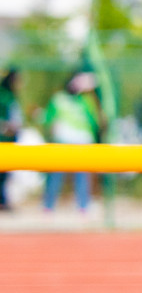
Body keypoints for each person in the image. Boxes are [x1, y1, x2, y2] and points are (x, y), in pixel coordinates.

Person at [42, 71, 103, 212]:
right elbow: (48, 119)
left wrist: (93, 94)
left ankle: (83, 206)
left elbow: (97, 121)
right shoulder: (59, 99)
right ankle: (48, 206)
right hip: (63, 141)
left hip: (82, 141)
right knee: (56, 174)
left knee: (82, 175)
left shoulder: (87, 100)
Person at [0, 68, 21, 212]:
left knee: (5, 174)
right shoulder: (4, 96)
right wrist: (5, 127)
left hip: (9, 140)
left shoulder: (12, 96)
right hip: (3, 139)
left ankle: (3, 199)